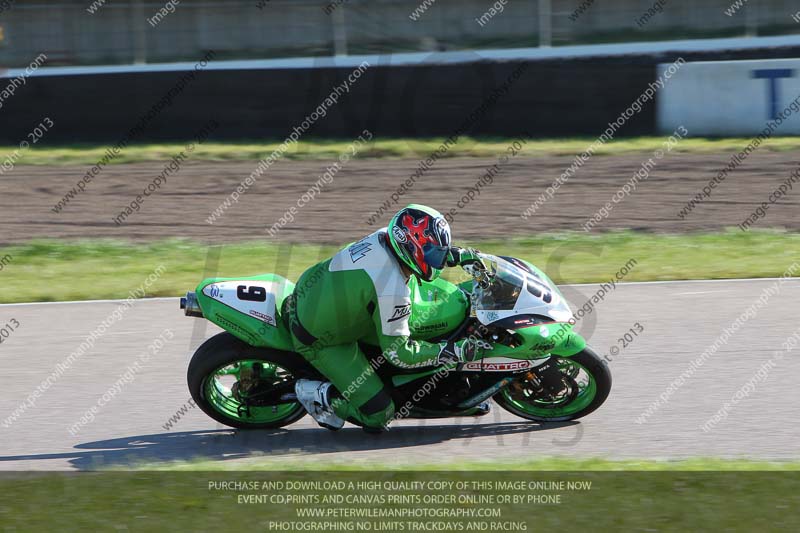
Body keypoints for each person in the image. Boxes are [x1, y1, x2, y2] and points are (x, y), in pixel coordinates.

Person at [285, 204, 488, 432]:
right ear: (410, 248)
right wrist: (452, 351)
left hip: (317, 292)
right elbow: (399, 355)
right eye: (434, 253)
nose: (437, 260)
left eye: (440, 252)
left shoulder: (386, 236)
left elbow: (419, 251)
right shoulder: (392, 289)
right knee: (379, 415)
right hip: (322, 339)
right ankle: (319, 394)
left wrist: (456, 255)